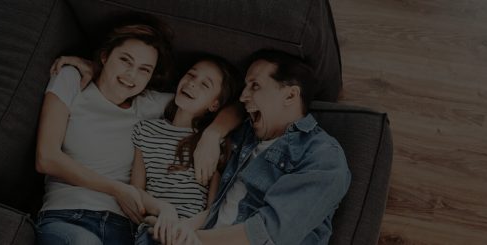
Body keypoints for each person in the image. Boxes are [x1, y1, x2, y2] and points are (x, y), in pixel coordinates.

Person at [35, 18, 238, 244]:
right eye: (124, 60)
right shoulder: (72, 79)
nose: (131, 75)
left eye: (144, 70)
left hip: (124, 228)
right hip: (69, 215)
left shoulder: (149, 104)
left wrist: (212, 135)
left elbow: (235, 106)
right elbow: (46, 158)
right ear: (105, 56)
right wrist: (116, 189)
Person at [160, 50, 352, 245]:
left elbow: (266, 233)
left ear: (290, 95)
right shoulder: (249, 132)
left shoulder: (322, 155)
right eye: (245, 86)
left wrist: (188, 239)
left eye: (255, 86)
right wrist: (212, 134)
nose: (243, 96)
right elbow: (235, 109)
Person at [129, 55, 241, 245]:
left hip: (191, 233)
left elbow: (213, 207)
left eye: (205, 85)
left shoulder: (214, 146)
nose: (192, 84)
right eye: (191, 75)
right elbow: (136, 190)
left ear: (214, 104)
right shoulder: (145, 130)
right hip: (154, 228)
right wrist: (161, 212)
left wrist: (185, 227)